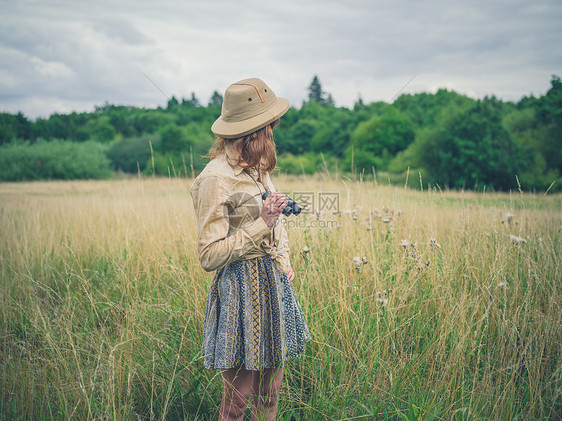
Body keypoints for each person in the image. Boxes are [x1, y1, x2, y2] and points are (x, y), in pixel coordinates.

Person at [189, 78, 312, 420]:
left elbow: (276, 220)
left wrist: (284, 259)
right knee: (237, 402)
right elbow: (209, 255)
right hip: (240, 289)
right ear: (253, 132)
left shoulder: (256, 165)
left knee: (270, 395)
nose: (274, 131)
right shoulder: (215, 178)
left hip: (274, 284)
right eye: (269, 126)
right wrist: (262, 223)